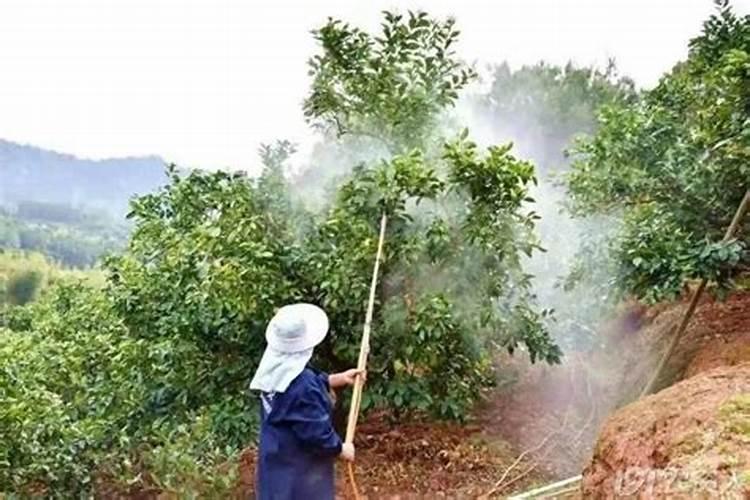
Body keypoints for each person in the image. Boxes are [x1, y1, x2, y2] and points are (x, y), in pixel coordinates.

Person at [250, 303, 363, 500]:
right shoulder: (303, 386)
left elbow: (295, 395)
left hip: (276, 465)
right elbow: (318, 434)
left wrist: (336, 379)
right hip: (300, 474)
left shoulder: (273, 372)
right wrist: (341, 449)